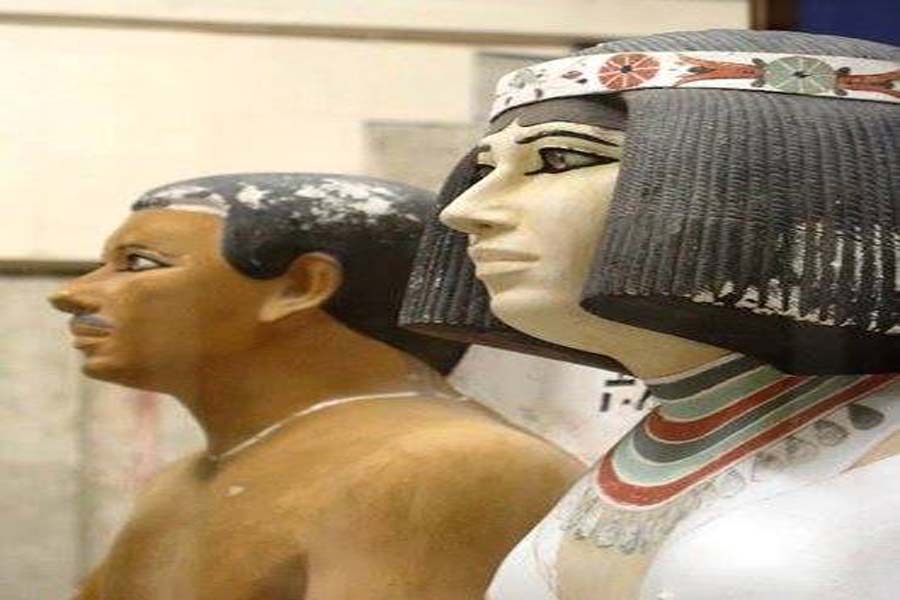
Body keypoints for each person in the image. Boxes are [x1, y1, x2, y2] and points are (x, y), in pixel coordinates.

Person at [404, 30, 899, 598]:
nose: (464, 210)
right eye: (484, 171)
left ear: (782, 181)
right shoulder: (678, 439)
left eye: (558, 158)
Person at [49, 173, 581, 599]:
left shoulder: (447, 466)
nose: (72, 294)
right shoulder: (182, 480)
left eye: (138, 264)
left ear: (301, 286)